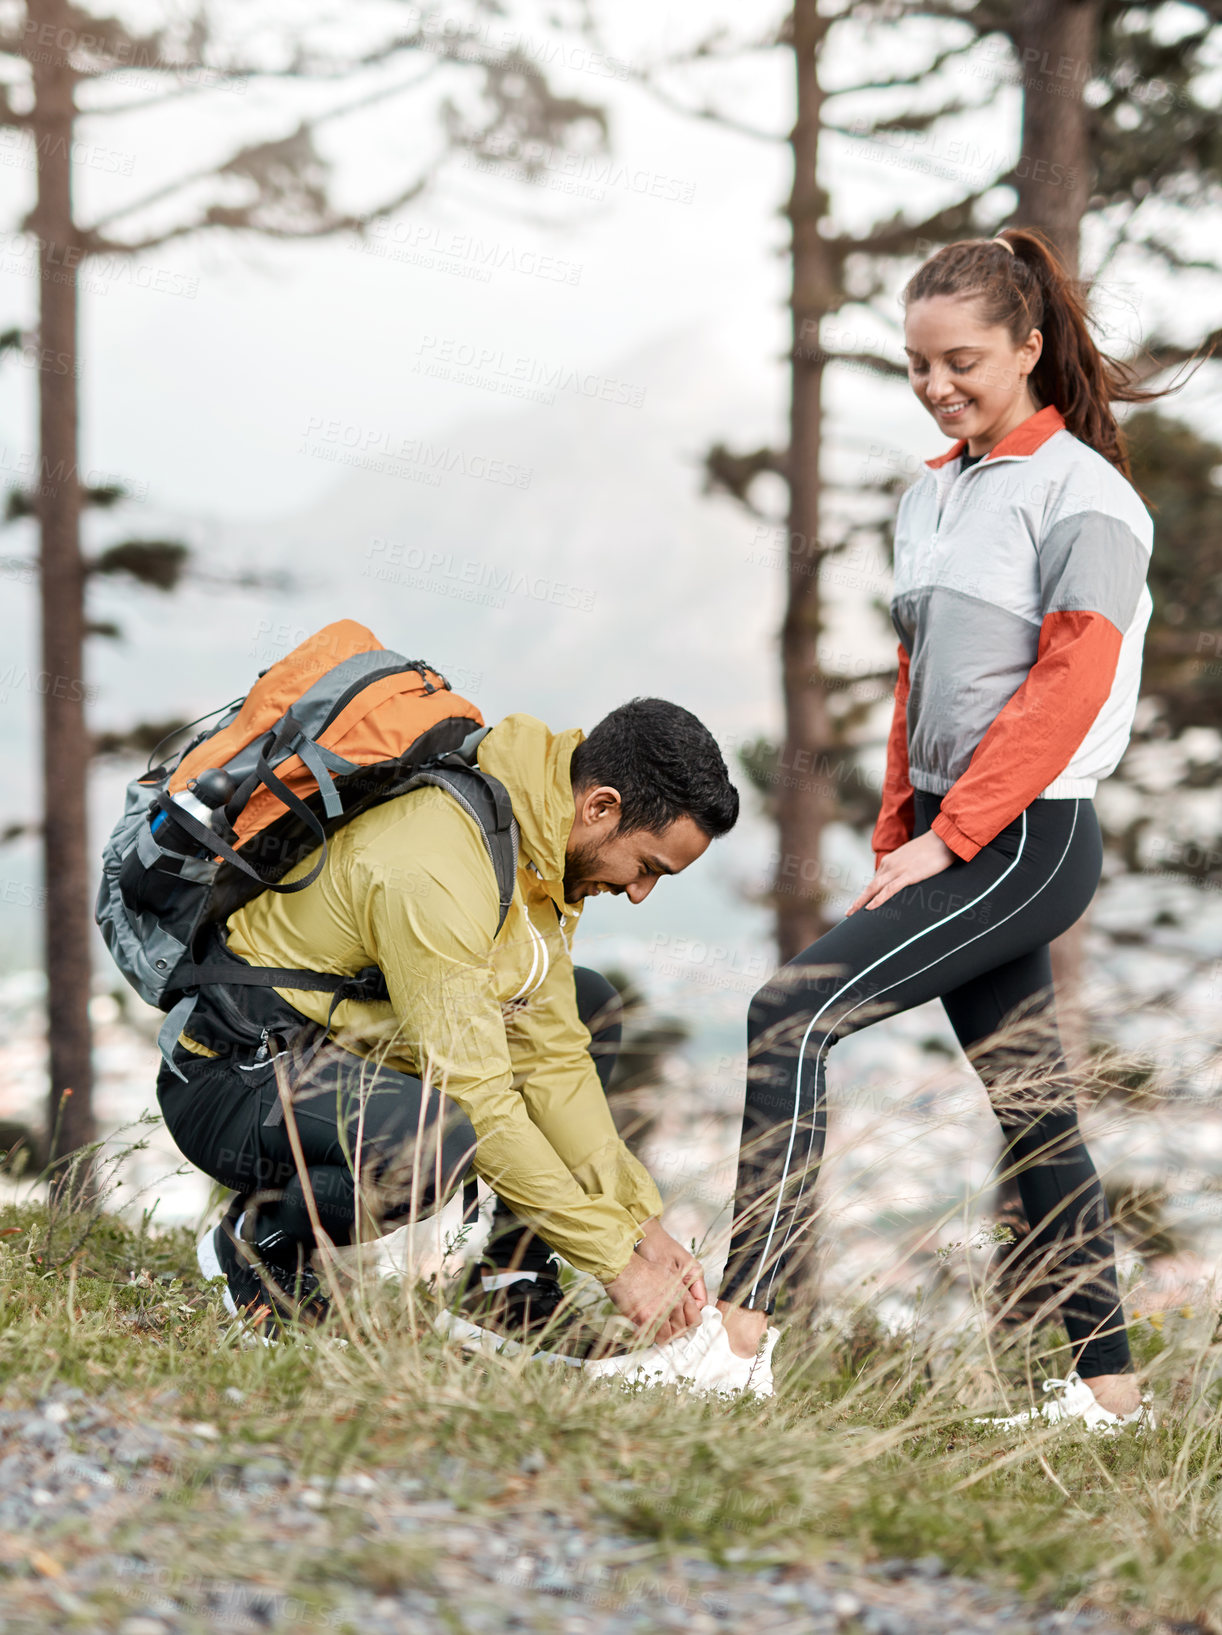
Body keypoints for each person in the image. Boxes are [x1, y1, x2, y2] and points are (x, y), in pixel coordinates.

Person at [610, 228, 1172, 1424]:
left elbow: (1065, 686)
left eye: (960, 360)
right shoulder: (932, 495)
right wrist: (893, 832)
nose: (937, 385)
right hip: (961, 839)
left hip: (1028, 843)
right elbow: (919, 689)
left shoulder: (1088, 498)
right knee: (1033, 1102)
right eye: (916, 366)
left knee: (785, 1013)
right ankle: (1111, 1397)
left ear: (1028, 346)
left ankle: (737, 1347)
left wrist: (951, 835)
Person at [172, 700, 738, 1354]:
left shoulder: (532, 858)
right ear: (600, 807)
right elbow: (476, 1095)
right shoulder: (440, 859)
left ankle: (508, 1289)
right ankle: (260, 1244)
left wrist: (640, 1222)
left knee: (586, 1004)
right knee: (441, 1135)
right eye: (647, 867)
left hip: (340, 1062)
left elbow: (553, 1060)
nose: (640, 892)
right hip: (236, 1076)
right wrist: (613, 1259)